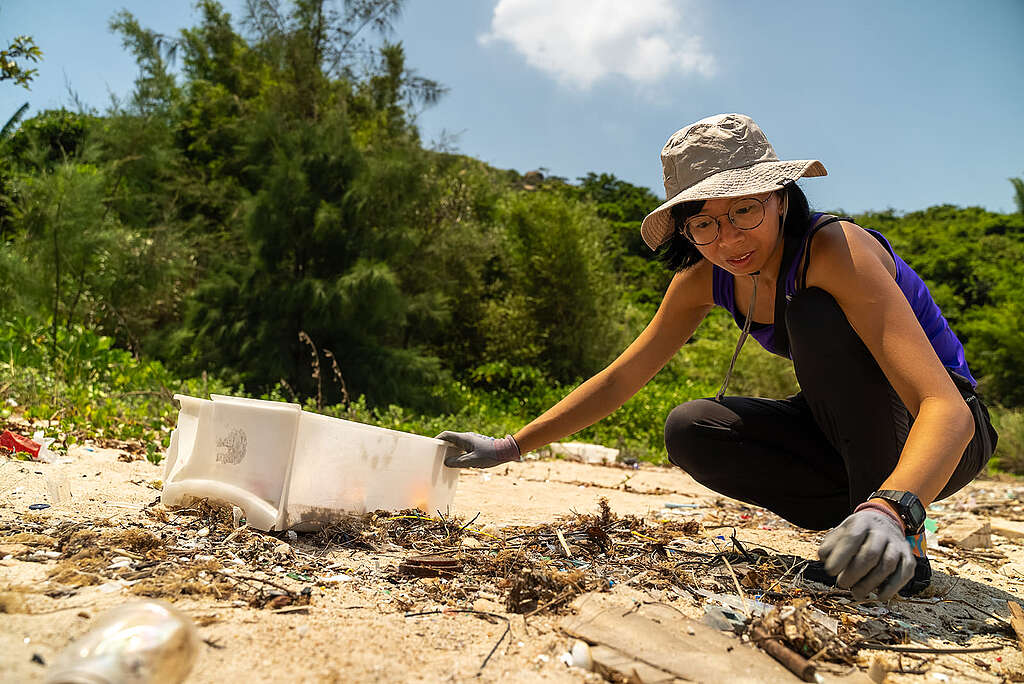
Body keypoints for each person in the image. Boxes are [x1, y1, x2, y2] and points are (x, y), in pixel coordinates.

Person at [438, 113, 998, 601]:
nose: (728, 240)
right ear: (685, 228)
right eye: (704, 223)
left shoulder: (835, 250)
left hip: (948, 436)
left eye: (745, 211)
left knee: (813, 313)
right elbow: (622, 376)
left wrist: (893, 509)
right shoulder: (703, 276)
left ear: (781, 198)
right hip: (846, 442)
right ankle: (859, 526)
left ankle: (897, 537)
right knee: (692, 427)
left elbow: (943, 407)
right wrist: (512, 445)